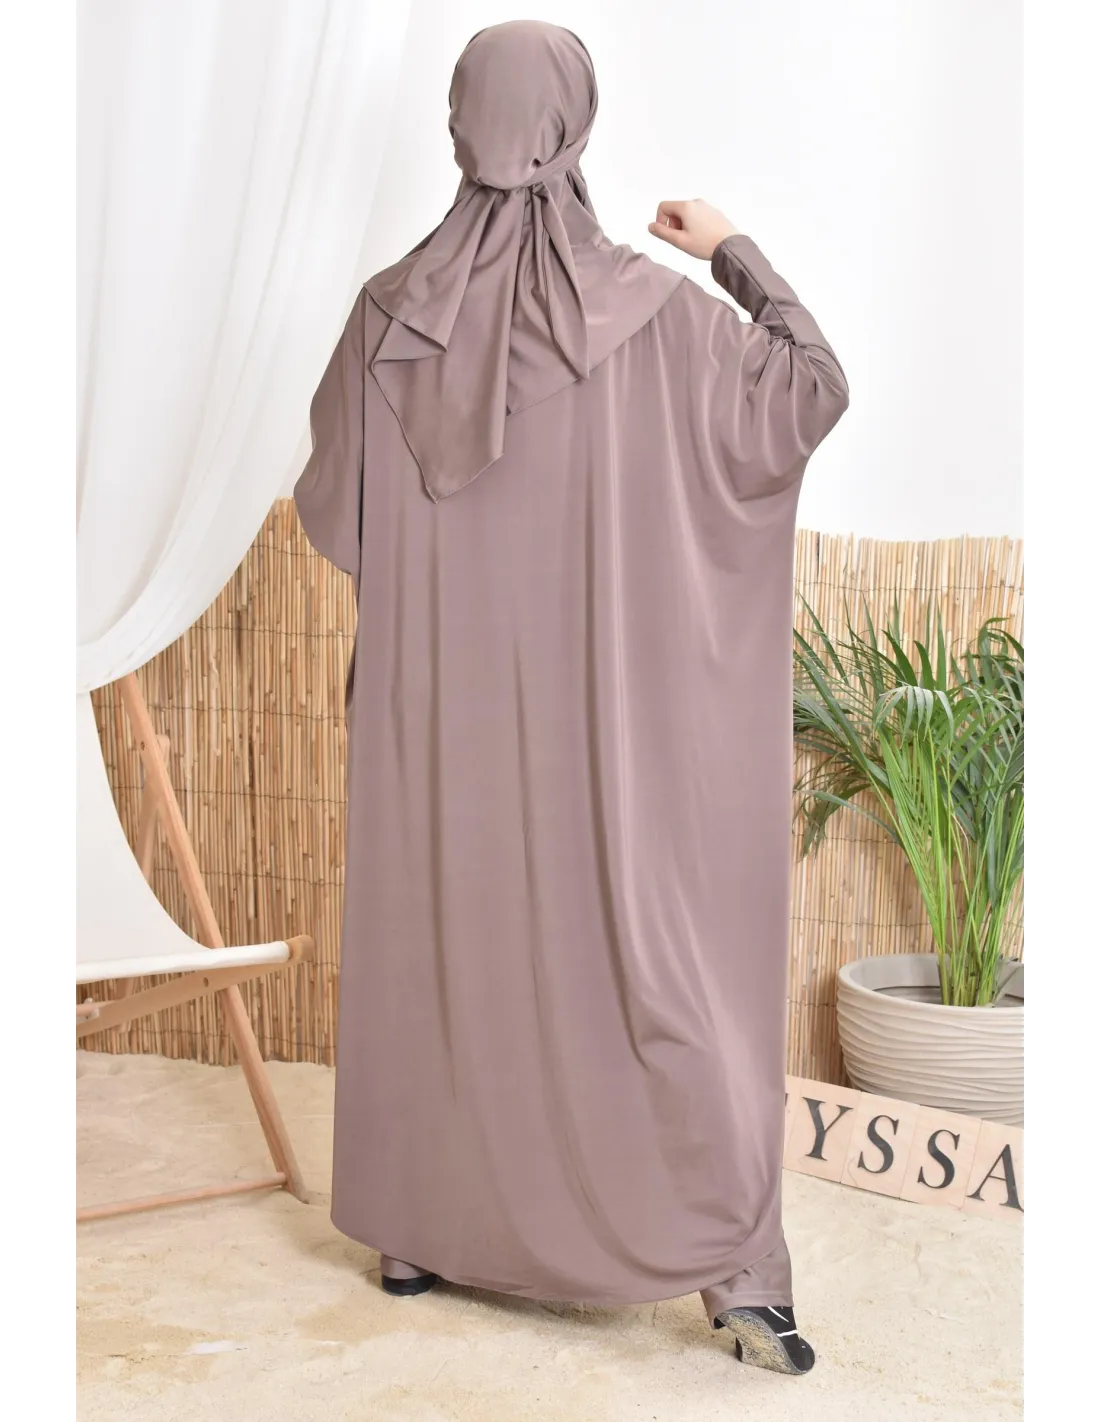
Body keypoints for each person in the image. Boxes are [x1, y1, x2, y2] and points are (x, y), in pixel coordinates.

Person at [295, 19, 848, 1377]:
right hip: (611, 734)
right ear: (576, 128)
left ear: (458, 126)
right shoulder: (663, 319)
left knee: (453, 939)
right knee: (646, 958)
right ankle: (733, 1276)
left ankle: (422, 1230)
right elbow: (812, 389)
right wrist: (730, 248)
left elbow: (343, 515)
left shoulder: (388, 315)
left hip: (445, 723)